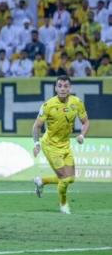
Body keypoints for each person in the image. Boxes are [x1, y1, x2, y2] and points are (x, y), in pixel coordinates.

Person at [32, 76, 90, 214]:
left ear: (70, 88)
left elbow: (86, 122)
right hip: (50, 146)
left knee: (71, 179)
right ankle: (63, 204)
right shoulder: (48, 105)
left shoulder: (77, 102)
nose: (63, 89)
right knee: (64, 179)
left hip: (65, 145)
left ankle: (41, 181)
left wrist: (82, 135)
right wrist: (36, 143)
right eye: (60, 86)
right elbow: (36, 126)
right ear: (55, 88)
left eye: (66, 86)